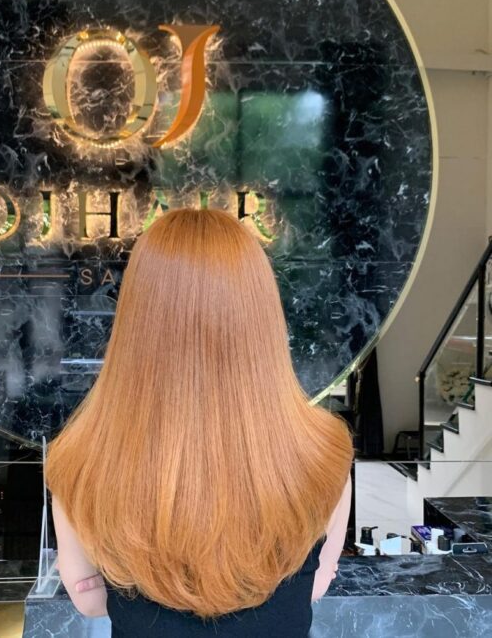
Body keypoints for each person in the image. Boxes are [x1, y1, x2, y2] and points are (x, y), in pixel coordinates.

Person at [45, 207, 355, 637]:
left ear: (135, 319)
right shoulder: (324, 456)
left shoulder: (81, 459)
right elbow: (315, 585)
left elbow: (90, 599)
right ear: (262, 315)